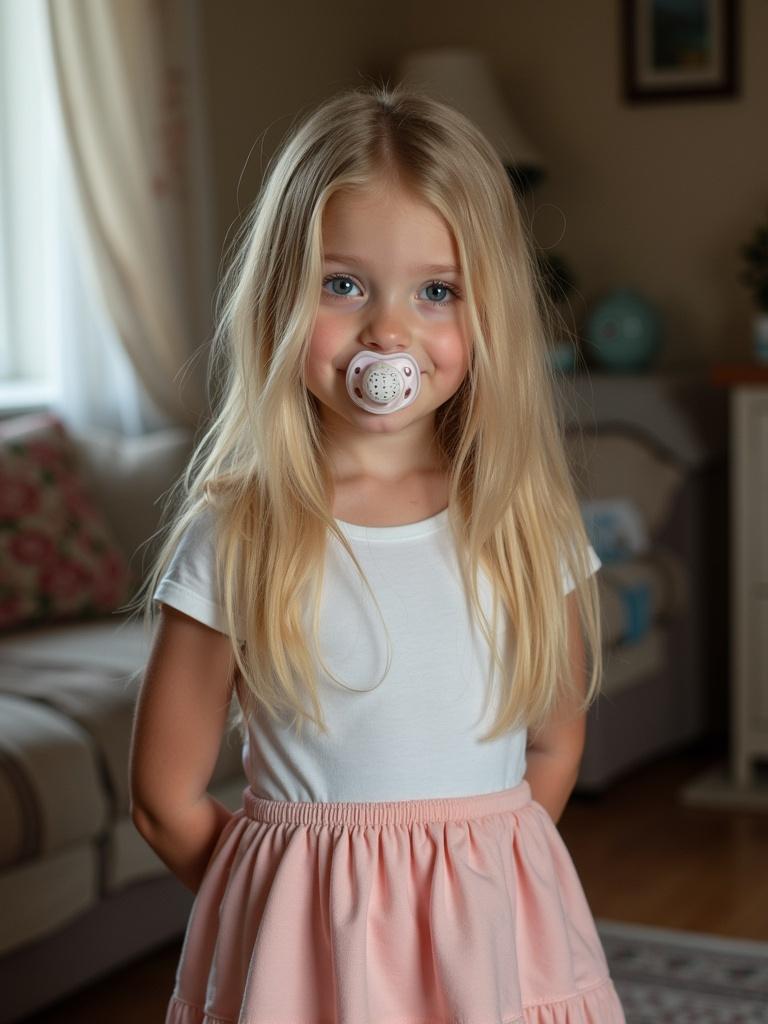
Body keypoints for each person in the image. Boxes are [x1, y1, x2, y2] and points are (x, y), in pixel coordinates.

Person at [128, 82, 627, 1024]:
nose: (389, 331)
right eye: (343, 284)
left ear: (489, 318)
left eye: (436, 291)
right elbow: (165, 798)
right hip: (307, 976)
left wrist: (472, 899)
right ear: (281, 295)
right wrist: (277, 924)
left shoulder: (525, 522)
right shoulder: (242, 531)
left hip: (492, 967)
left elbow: (555, 743)